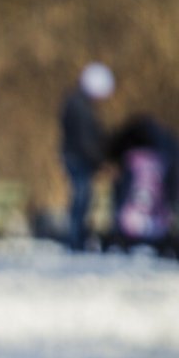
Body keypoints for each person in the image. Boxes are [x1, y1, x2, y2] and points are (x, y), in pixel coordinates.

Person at [105, 113, 179, 261]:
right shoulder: (165, 143)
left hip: (177, 184)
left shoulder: (158, 149)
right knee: (177, 212)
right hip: (175, 185)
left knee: (177, 211)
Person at [59, 62, 115, 251]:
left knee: (83, 197)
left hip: (77, 157)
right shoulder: (80, 107)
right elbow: (85, 140)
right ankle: (75, 239)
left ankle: (78, 237)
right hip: (78, 158)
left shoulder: (79, 104)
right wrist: (100, 161)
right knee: (81, 198)